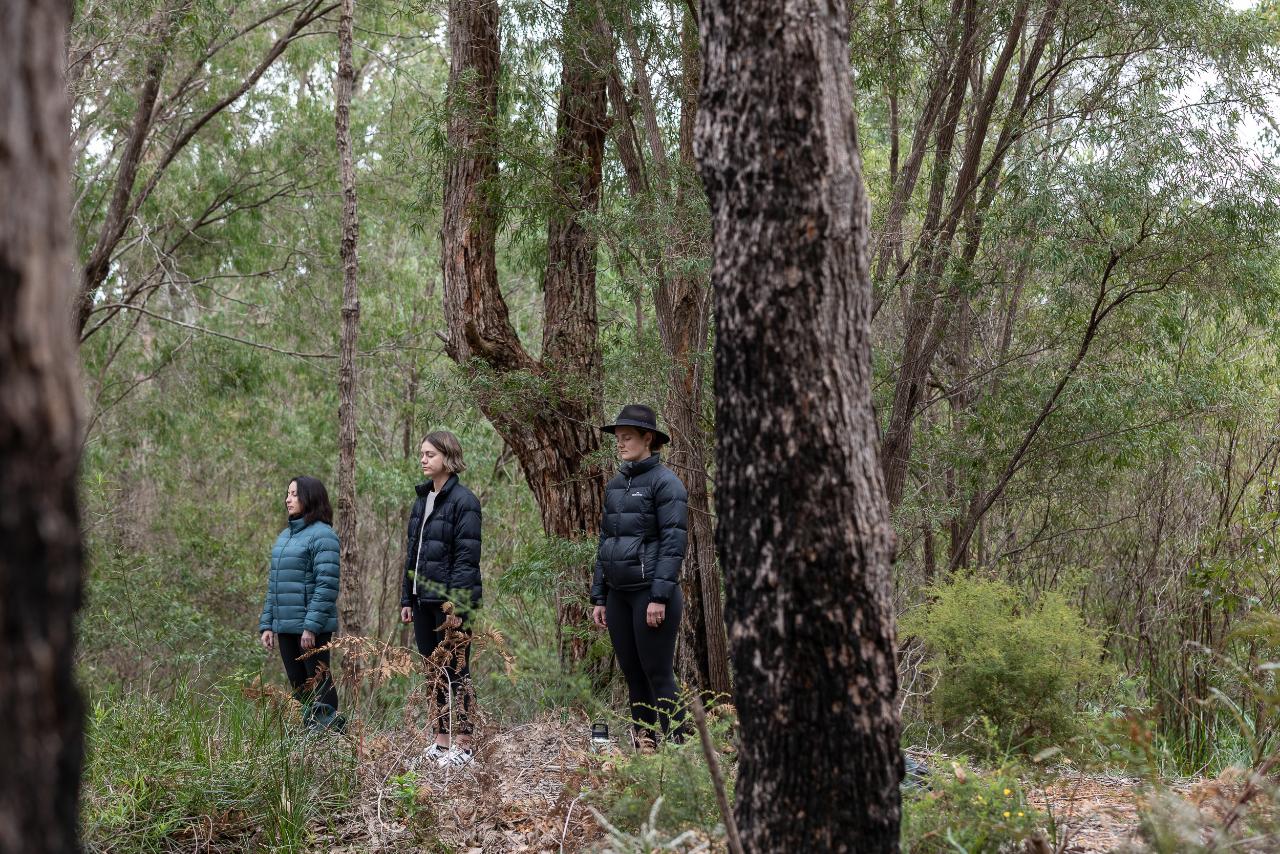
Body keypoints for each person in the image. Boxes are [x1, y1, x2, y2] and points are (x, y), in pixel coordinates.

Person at [591, 404, 689, 750]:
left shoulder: (667, 484)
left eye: (627, 437)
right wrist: (600, 595)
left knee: (658, 674)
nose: (620, 443)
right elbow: (607, 541)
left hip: (651, 594)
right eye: (618, 438)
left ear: (648, 439)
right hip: (620, 594)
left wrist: (659, 596)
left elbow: (674, 543)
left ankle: (682, 751)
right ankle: (645, 747)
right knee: (633, 674)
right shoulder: (617, 484)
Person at [400, 430, 483, 767]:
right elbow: (412, 556)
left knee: (457, 671)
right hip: (422, 599)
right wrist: (407, 597)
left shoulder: (465, 501)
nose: (423, 459)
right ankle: (441, 740)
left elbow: (467, 558)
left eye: (430, 454)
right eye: (421, 454)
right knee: (433, 671)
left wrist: (459, 607)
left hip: (451, 605)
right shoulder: (422, 502)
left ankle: (464, 745)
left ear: (448, 458)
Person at [258, 476, 341, 728]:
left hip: (310, 627)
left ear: (310, 497)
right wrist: (268, 624)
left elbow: (327, 585)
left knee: (319, 681)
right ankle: (308, 734)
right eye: (287, 493)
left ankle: (329, 733)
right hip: (285, 626)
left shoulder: (324, 536)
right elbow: (275, 585)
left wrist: (311, 626)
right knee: (298, 684)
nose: (287, 499)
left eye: (294, 494)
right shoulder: (285, 537)